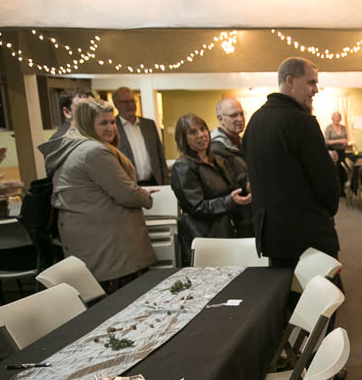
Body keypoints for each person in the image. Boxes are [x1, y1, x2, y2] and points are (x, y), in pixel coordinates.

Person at [38, 97, 156, 293]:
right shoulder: (94, 152)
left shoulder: (75, 147)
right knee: (123, 305)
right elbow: (127, 194)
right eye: (103, 123)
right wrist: (144, 195)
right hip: (110, 248)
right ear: (87, 124)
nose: (110, 128)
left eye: (112, 122)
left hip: (93, 241)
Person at [243, 57, 341, 268]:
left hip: (273, 236)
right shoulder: (302, 122)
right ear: (290, 81)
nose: (316, 90)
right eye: (311, 82)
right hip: (307, 236)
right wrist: (329, 210)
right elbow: (326, 183)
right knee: (319, 298)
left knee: (283, 297)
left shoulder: (255, 120)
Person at [171, 114, 251, 265]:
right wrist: (229, 201)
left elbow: (229, 189)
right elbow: (196, 206)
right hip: (204, 237)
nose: (201, 135)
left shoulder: (216, 159)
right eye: (193, 132)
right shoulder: (183, 166)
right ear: (183, 138)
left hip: (226, 231)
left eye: (203, 129)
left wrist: (245, 188)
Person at [211, 97, 254, 236]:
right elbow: (231, 183)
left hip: (249, 213)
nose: (240, 119)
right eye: (233, 115)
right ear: (220, 118)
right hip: (236, 217)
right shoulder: (216, 148)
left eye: (241, 113)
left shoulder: (241, 142)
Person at [112, 87, 168, 185]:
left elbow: (160, 157)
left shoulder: (149, 125)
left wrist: (165, 182)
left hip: (155, 182)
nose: (130, 105)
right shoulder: (112, 127)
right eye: (125, 102)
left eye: (133, 101)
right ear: (116, 104)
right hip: (129, 185)